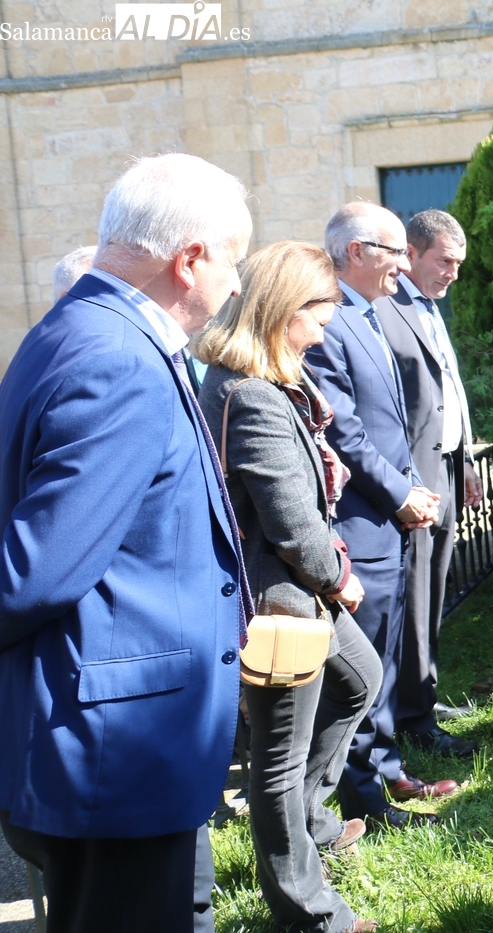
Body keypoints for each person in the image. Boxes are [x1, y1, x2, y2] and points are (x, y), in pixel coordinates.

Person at [0, 153, 252, 932]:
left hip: (116, 741)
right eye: (234, 263)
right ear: (190, 259)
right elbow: (35, 570)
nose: (236, 286)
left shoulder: (84, 327)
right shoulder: (117, 355)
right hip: (115, 752)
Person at [193, 241, 382, 933]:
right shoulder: (250, 395)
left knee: (360, 678)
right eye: (319, 317)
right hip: (280, 602)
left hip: (298, 592)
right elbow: (293, 524)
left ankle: (309, 826)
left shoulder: (256, 382)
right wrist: (341, 578)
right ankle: (310, 911)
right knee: (277, 762)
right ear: (281, 309)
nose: (324, 332)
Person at [305, 203, 455, 829]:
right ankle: (361, 802)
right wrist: (400, 494)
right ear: (357, 252)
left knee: (385, 662)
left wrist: (413, 486)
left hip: (388, 522)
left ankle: (387, 769)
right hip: (360, 524)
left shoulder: (368, 314)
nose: (404, 262)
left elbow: (397, 424)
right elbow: (345, 433)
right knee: (360, 672)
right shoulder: (328, 322)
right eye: (394, 251)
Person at [375, 209, 484, 756]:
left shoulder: (430, 308)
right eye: (444, 261)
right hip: (412, 476)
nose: (452, 273)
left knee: (434, 589)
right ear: (411, 253)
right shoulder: (383, 308)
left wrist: (464, 459)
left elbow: (448, 389)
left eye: (458, 264)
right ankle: (412, 717)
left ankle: (424, 693)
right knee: (413, 595)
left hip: (445, 467)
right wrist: (407, 480)